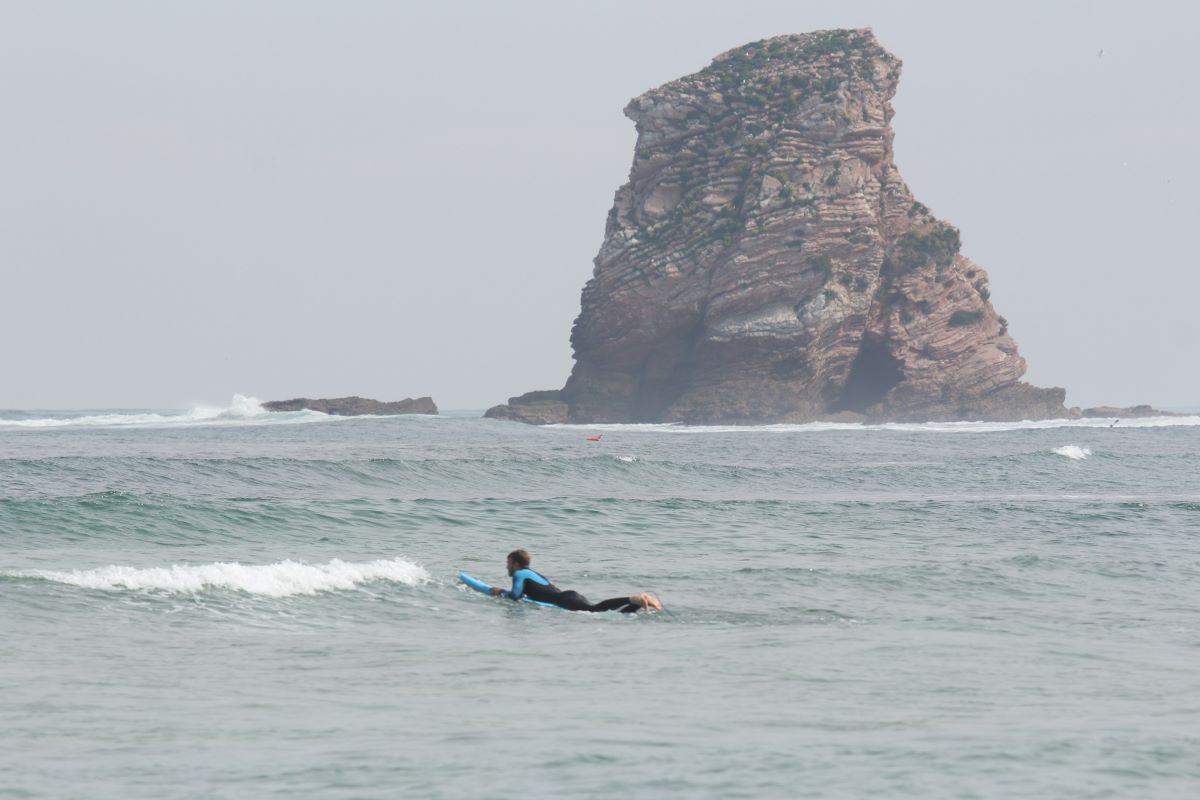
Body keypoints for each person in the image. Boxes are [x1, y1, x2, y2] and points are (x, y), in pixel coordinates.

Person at [488, 549, 662, 612]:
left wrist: (499, 592)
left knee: (594, 610)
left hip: (565, 599)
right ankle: (638, 604)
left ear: (516, 564)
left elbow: (515, 596)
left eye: (508, 563)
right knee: (608, 613)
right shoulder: (532, 574)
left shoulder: (520, 574)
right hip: (568, 596)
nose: (506, 567)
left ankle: (632, 598)